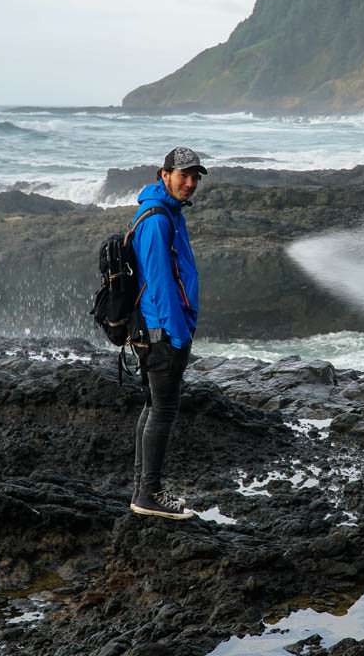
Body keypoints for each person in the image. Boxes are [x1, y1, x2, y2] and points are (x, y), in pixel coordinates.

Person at [129, 146, 206, 520]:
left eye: (194, 177)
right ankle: (149, 493)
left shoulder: (168, 212)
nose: (189, 183)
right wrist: (177, 337)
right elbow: (159, 284)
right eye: (182, 176)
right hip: (161, 332)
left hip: (157, 330)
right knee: (163, 409)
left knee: (153, 407)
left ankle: (141, 488)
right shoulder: (158, 219)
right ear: (164, 174)